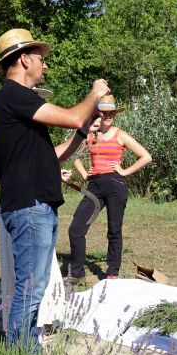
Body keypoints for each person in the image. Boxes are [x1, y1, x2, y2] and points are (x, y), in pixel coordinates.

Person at [0, 28, 106, 346]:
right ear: (24, 59)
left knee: (34, 288)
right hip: (29, 206)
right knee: (30, 289)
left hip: (35, 205)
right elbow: (70, 116)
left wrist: (83, 132)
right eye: (42, 59)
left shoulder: (18, 103)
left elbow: (54, 154)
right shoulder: (13, 94)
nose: (46, 65)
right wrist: (95, 94)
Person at [68, 96, 152, 281]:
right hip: (94, 185)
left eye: (111, 112)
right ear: (97, 113)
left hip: (115, 184)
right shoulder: (90, 134)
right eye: (104, 112)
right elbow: (74, 154)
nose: (108, 115)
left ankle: (112, 272)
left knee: (114, 230)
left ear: (115, 114)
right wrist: (84, 174)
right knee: (76, 228)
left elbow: (146, 156)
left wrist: (124, 171)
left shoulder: (120, 134)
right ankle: (76, 274)